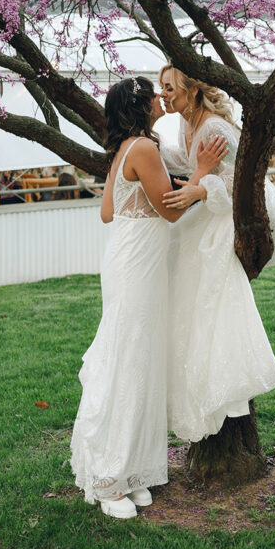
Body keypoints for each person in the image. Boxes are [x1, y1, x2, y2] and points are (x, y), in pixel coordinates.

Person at [70, 76, 227, 519]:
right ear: (141, 107)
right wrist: (202, 173)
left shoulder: (127, 148)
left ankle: (133, 472)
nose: (163, 100)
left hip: (130, 259)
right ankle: (108, 480)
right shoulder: (141, 148)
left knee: (140, 361)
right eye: (156, 96)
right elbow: (172, 209)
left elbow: (107, 212)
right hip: (136, 267)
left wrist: (147, 195)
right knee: (128, 362)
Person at [159, 65, 275, 443]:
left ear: (192, 90)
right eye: (161, 88)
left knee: (194, 255)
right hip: (217, 205)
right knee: (178, 245)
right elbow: (190, 164)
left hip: (245, 212)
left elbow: (240, 185)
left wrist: (200, 190)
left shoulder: (214, 128)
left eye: (170, 88)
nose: (164, 94)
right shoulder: (185, 124)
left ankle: (221, 373)